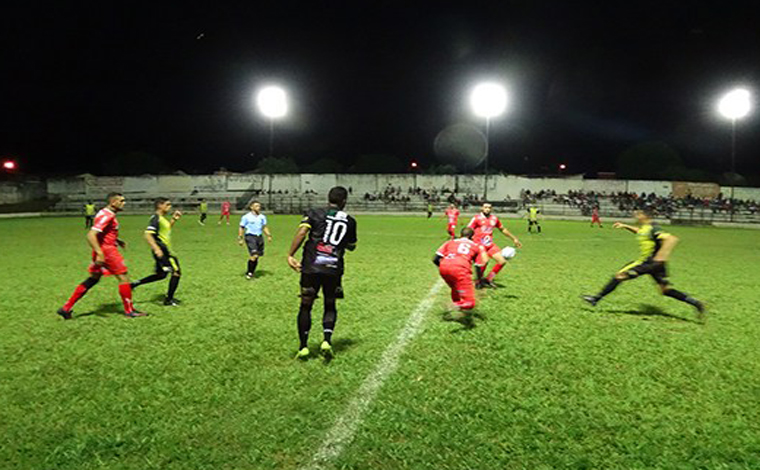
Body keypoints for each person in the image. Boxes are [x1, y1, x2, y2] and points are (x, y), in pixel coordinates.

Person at [582, 209, 705, 318]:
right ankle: (696, 303)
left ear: (645, 216)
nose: (635, 216)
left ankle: (596, 298)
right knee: (665, 290)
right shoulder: (646, 228)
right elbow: (640, 232)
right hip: (657, 265)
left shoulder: (653, 227)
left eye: (638, 214)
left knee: (619, 276)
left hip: (648, 263)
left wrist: (662, 255)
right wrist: (625, 226)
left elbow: (671, 239)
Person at [287, 186, 357, 360]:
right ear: (344, 201)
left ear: (328, 198)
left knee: (306, 304)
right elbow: (352, 245)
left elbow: (303, 232)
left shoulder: (314, 213)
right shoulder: (350, 220)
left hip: (312, 265)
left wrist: (290, 254)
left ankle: (303, 346)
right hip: (333, 267)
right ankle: (326, 340)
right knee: (330, 303)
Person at [58, 193, 146, 319]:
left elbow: (103, 233)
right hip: (107, 252)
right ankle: (129, 310)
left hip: (103, 249)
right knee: (124, 278)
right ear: (113, 202)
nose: (124, 203)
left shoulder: (103, 213)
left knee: (93, 279)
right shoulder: (108, 215)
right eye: (121, 201)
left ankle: (66, 308)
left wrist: (116, 240)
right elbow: (91, 235)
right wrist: (100, 253)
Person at [130, 197, 183, 306]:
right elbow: (147, 234)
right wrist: (156, 249)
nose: (170, 207)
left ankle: (134, 284)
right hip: (165, 252)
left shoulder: (162, 219)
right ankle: (168, 300)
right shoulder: (156, 218)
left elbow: (166, 230)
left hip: (165, 250)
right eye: (167, 204)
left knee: (161, 275)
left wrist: (173, 220)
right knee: (176, 273)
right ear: (160, 205)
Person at [467, 202, 522, 288]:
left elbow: (502, 229)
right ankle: (478, 281)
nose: (487, 209)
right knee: (484, 262)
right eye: (485, 207)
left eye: (489, 207)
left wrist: (514, 238)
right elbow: (469, 229)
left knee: (502, 261)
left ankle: (488, 279)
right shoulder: (476, 218)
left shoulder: (494, 219)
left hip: (489, 245)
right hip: (479, 245)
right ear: (482, 208)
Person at [434, 227, 488, 312]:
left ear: (461, 235)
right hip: (461, 269)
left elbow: (435, 259)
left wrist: (444, 267)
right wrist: (479, 280)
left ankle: (458, 311)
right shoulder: (475, 246)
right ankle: (451, 306)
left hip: (444, 267)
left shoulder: (449, 242)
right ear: (472, 237)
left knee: (455, 288)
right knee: (470, 303)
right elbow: (478, 266)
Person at [238, 201, 272, 280]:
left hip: (259, 237)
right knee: (254, 255)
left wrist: (268, 235)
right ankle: (249, 273)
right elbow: (241, 227)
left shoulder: (262, 217)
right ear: (251, 207)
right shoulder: (246, 217)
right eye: (256, 206)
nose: (258, 207)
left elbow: (264, 227)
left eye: (259, 206)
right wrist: (240, 238)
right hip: (250, 237)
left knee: (257, 256)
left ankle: (251, 271)